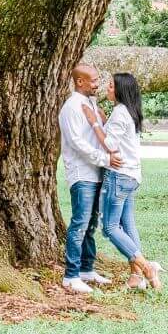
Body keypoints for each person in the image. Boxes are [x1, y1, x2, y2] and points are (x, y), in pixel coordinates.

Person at [58, 65, 120, 294]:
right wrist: (104, 159)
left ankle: (86, 269)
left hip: (96, 171)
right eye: (93, 81)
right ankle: (70, 275)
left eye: (98, 79)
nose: (97, 84)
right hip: (81, 173)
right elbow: (77, 143)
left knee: (92, 224)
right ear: (79, 82)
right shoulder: (71, 108)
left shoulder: (92, 104)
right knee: (80, 224)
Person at [98, 72, 162, 290]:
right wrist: (104, 120)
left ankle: (145, 266)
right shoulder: (130, 112)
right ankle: (136, 276)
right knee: (127, 224)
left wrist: (93, 122)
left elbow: (108, 143)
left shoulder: (119, 113)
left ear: (119, 90)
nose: (106, 89)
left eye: (110, 86)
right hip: (132, 176)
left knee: (109, 227)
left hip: (118, 175)